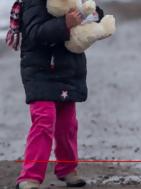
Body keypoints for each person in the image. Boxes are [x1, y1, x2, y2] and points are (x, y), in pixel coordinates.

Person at [5, 0, 104, 188]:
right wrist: (64, 23)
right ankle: (30, 176)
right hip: (40, 71)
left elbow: (97, 13)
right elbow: (35, 32)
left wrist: (90, 14)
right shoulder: (33, 3)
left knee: (67, 124)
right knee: (44, 121)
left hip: (68, 71)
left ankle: (67, 169)